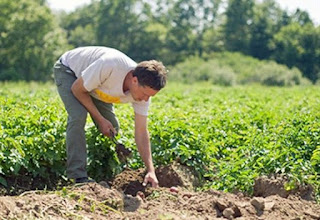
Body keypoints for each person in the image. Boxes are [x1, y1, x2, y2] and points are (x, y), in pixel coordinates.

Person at [53, 46, 167, 187]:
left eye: (150, 96)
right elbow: (77, 89)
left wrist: (151, 170)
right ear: (134, 80)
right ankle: (77, 177)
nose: (145, 99)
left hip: (95, 85)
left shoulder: (143, 94)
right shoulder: (110, 65)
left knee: (113, 128)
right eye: (145, 94)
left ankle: (108, 172)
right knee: (78, 116)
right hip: (70, 71)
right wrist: (100, 119)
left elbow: (142, 131)